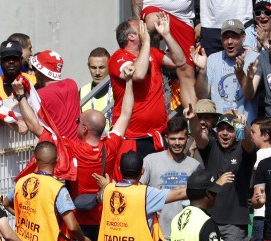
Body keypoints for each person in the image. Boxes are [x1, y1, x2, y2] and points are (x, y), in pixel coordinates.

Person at [14, 68, 136, 241]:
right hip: (105, 218)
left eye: (78, 122)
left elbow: (34, 126)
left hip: (77, 221)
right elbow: (126, 114)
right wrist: (129, 82)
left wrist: (21, 96)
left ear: (85, 129)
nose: (75, 124)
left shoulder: (69, 148)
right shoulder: (110, 146)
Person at [109, 14, 186, 157]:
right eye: (141, 26)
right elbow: (138, 74)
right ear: (131, 36)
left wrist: (167, 35)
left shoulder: (151, 52)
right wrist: (146, 44)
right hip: (132, 137)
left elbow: (180, 61)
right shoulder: (118, 57)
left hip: (156, 135)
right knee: (133, 179)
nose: (146, 26)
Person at [98, 151, 187, 241]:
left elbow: (99, 197)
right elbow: (179, 193)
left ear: (120, 169)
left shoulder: (108, 190)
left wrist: (105, 186)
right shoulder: (146, 194)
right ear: (142, 171)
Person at [6, 141, 91, 241]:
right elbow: (72, 226)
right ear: (57, 160)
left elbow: (6, 203)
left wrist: (22, 216)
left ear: (35, 160)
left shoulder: (21, 182)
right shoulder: (58, 189)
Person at [194, 112, 257, 241]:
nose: (224, 132)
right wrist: (191, 120)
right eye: (221, 128)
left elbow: (248, 142)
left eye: (230, 129)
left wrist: (242, 125)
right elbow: (198, 135)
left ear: (236, 132)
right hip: (209, 220)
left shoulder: (243, 150)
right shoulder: (211, 146)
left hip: (235, 224)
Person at [142, 114, 200, 240]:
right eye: (173, 139)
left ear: (188, 138)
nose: (177, 143)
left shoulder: (195, 166)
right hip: (156, 235)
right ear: (166, 138)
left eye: (181, 139)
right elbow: (137, 192)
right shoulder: (150, 161)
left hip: (185, 236)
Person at [196, 18, 258, 125]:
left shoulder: (254, 59)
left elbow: (249, 95)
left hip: (243, 125)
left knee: (240, 135)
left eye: (234, 37)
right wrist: (202, 71)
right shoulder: (213, 58)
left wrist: (240, 74)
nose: (229, 42)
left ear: (243, 37)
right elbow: (202, 95)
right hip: (220, 127)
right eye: (225, 37)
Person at [0, 39, 37, 104]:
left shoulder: (34, 82)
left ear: (21, 60)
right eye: (7, 58)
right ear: (0, 61)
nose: (11, 62)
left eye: (15, 58)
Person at [79, 47, 113, 129]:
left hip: (113, 140)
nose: (97, 72)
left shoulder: (118, 89)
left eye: (101, 67)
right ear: (88, 67)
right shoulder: (82, 91)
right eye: (93, 68)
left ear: (110, 66)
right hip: (90, 141)